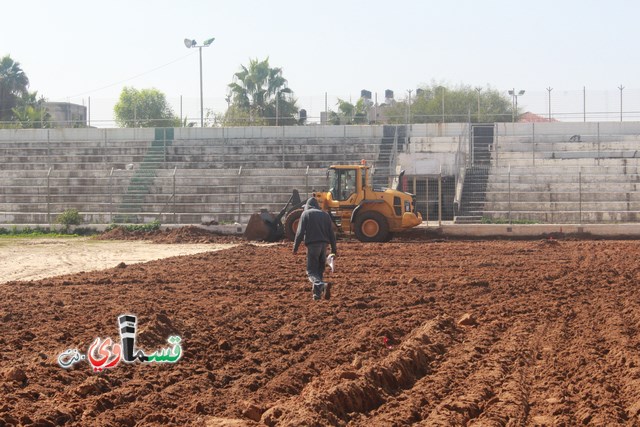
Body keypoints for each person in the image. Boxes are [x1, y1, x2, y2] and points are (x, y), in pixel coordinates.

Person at [293, 197, 338, 301]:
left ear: (307, 206)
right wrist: (334, 249)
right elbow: (332, 234)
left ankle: (322, 285)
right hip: (324, 246)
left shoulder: (306, 214)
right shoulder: (325, 215)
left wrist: (295, 248)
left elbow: (299, 233)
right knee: (319, 271)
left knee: (311, 271)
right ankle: (317, 295)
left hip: (313, 246)